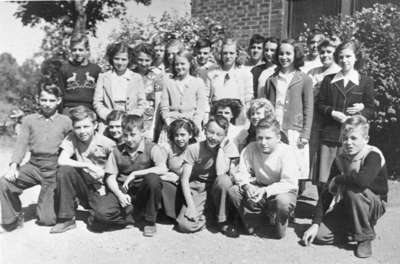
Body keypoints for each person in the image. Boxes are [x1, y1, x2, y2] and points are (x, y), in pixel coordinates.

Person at [302, 115, 387, 258]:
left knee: (353, 190)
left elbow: (362, 181)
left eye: (353, 138)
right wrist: (315, 223)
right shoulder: (341, 158)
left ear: (366, 139)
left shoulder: (373, 154)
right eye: (345, 138)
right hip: (350, 203)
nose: (348, 142)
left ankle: (365, 237)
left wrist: (338, 179)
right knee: (320, 236)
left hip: (374, 204)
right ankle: (353, 228)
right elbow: (327, 192)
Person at [0, 82, 72, 232]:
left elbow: (73, 146)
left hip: (53, 169)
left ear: (58, 101)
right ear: (38, 99)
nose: (47, 104)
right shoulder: (29, 120)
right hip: (33, 166)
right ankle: (13, 219)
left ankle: (66, 200)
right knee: (5, 182)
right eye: (44, 100)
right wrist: (14, 165)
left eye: (52, 100)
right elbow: (21, 144)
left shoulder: (66, 121)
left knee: (47, 220)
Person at [317, 40, 375, 190]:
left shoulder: (365, 81)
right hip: (331, 134)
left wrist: (360, 113)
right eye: (341, 57)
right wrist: (333, 112)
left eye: (348, 56)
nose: (344, 60)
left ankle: (344, 208)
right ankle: (322, 210)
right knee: (325, 177)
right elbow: (320, 105)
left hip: (352, 138)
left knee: (349, 175)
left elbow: (371, 108)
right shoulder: (328, 80)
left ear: (356, 57)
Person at [229, 118, 300, 238]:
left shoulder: (287, 152)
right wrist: (247, 186)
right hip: (259, 187)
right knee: (235, 191)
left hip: (280, 191)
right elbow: (241, 172)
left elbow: (289, 183)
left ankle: (279, 221)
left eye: (268, 138)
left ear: (278, 138)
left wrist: (266, 191)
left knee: (283, 203)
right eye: (259, 138)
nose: (263, 142)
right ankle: (258, 221)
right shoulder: (251, 148)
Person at [50, 106, 116, 233]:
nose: (82, 131)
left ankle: (97, 211)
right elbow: (61, 160)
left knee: (101, 219)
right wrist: (88, 165)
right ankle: (67, 218)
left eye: (86, 126)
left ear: (95, 125)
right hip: (85, 183)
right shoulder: (71, 138)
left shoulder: (107, 143)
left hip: (102, 186)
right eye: (78, 127)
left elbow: (117, 170)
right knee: (65, 170)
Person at [101, 115, 168, 237]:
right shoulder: (116, 151)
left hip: (143, 190)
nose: (129, 139)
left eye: (133, 135)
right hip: (124, 190)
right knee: (102, 213)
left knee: (153, 178)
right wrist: (119, 194)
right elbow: (110, 176)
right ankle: (133, 215)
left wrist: (135, 173)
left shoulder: (152, 147)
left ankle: (149, 221)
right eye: (125, 135)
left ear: (142, 132)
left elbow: (163, 168)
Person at [176, 116, 240, 237]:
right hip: (198, 187)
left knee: (224, 180)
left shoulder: (228, 147)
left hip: (219, 189)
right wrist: (191, 206)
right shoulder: (194, 148)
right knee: (185, 225)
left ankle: (222, 221)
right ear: (204, 130)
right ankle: (209, 217)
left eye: (219, 134)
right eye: (211, 132)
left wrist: (221, 148)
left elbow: (221, 173)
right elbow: (184, 180)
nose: (213, 137)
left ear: (225, 136)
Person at [262, 39, 313, 187]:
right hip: (276, 128)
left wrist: (305, 134)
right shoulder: (271, 79)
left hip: (294, 130)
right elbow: (267, 106)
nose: (284, 57)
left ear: (295, 55)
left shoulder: (304, 79)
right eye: (281, 54)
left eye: (288, 53)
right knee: (276, 166)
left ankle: (293, 201)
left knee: (294, 169)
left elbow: (308, 108)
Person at [307, 38, 341, 190]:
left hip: (330, 121)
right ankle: (320, 197)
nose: (325, 55)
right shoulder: (313, 72)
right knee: (316, 159)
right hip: (314, 120)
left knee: (330, 161)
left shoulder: (339, 72)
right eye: (322, 52)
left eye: (329, 52)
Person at [159, 49, 207, 142]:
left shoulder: (198, 82)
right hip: (171, 125)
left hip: (192, 125)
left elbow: (200, 108)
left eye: (182, 64)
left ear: (190, 63)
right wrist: (170, 125)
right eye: (177, 64)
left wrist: (193, 126)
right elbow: (164, 108)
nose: (179, 67)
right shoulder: (168, 82)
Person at [93, 41, 146, 125]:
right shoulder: (103, 77)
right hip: (108, 122)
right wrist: (109, 116)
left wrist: (129, 118)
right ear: (111, 59)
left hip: (130, 122)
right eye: (116, 58)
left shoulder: (136, 78)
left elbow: (142, 103)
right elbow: (97, 102)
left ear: (129, 60)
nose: (120, 63)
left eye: (124, 59)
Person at [206, 38, 253, 125]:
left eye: (231, 53)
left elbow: (248, 98)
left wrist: (246, 121)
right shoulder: (212, 73)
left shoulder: (245, 73)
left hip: (238, 117)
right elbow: (206, 98)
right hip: (217, 116)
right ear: (220, 54)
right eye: (225, 53)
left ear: (237, 54)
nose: (228, 56)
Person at [159, 118, 199, 220]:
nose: (179, 138)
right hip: (172, 183)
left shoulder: (195, 148)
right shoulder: (167, 148)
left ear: (190, 135)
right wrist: (169, 176)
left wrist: (179, 178)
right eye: (176, 135)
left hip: (190, 183)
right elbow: (160, 169)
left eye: (182, 135)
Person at [59, 33, 102, 114]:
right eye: (74, 50)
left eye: (80, 50)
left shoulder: (96, 69)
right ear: (70, 50)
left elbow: (100, 94)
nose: (77, 53)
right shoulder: (64, 68)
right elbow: (60, 92)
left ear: (87, 50)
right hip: (69, 108)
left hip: (89, 108)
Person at [132, 43, 165, 140]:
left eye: (147, 60)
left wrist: (153, 128)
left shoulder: (157, 77)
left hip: (149, 122)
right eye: (140, 60)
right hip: (132, 120)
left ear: (152, 60)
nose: (143, 63)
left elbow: (158, 104)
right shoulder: (130, 75)